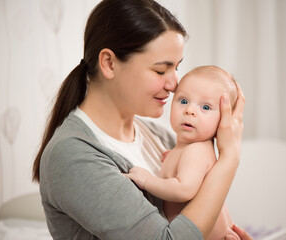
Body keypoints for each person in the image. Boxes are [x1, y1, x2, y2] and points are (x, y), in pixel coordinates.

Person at [32, 0, 251, 239]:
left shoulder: (162, 137)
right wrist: (229, 158)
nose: (175, 84)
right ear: (109, 63)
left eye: (177, 67)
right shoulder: (72, 155)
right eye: (160, 70)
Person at [125, 65, 241, 240]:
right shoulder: (184, 149)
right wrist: (171, 158)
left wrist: (148, 180)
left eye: (206, 107)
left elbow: (184, 189)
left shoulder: (197, 150)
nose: (190, 110)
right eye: (184, 101)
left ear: (224, 120)